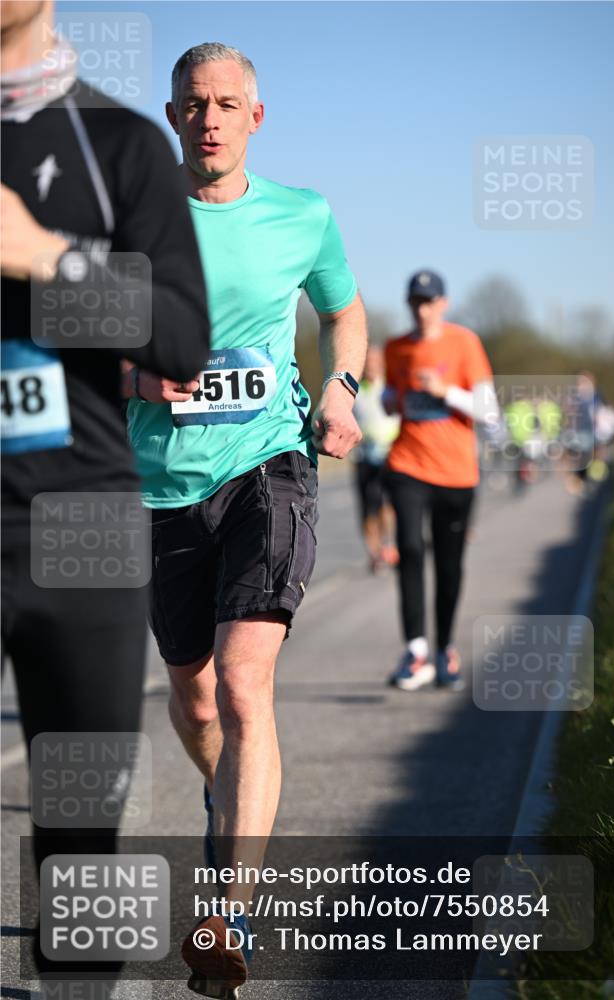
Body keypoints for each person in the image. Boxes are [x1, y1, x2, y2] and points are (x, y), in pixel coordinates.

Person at [122, 42, 366, 995]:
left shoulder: (304, 215)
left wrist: (340, 389)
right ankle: (225, 801)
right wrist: (138, 378)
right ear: (173, 116)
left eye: (228, 104)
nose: (211, 119)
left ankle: (231, 910)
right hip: (159, 490)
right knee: (193, 703)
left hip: (269, 466)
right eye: (194, 104)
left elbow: (344, 314)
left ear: (255, 116)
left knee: (242, 680)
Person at [0, 0, 209, 982]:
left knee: (80, 853)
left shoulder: (120, 142)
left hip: (80, 528)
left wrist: (47, 257)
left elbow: (180, 340)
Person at [383, 270, 498, 692]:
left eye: (429, 301)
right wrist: (391, 399)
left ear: (443, 304)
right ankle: (415, 650)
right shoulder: (396, 347)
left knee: (449, 565)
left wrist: (446, 390)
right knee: (410, 549)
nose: (422, 309)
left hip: (455, 472)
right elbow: (389, 396)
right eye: (415, 301)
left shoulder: (465, 343)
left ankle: (445, 647)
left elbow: (489, 410)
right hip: (408, 464)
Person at [351, 345, 400, 571]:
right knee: (367, 507)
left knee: (387, 505)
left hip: (389, 455)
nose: (371, 365)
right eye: (367, 360)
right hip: (363, 456)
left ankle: (388, 546)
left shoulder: (390, 387)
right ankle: (373, 553)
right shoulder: (354, 391)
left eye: (375, 360)